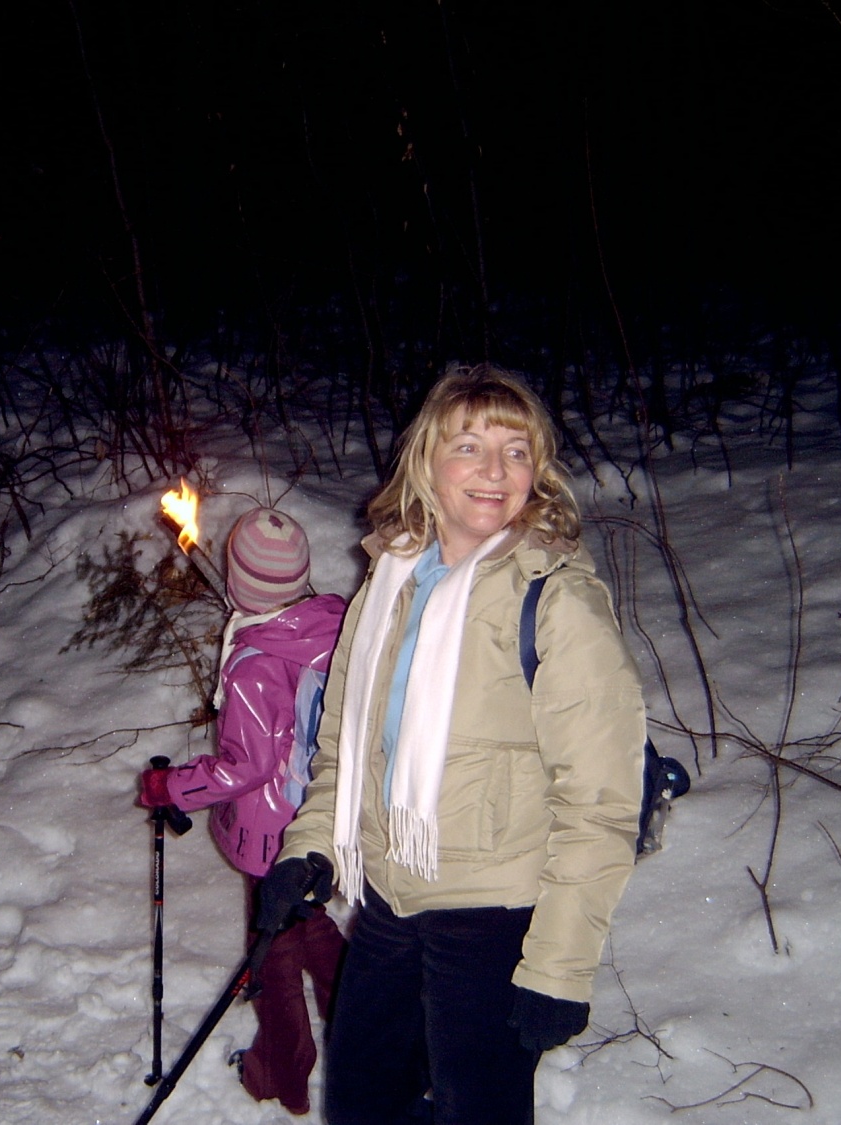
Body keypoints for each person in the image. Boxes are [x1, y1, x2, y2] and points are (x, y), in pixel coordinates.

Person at [260, 367, 645, 1124]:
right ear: (427, 460)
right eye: (470, 446)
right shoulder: (391, 580)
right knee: (362, 1104)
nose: (495, 472)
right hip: (388, 898)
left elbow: (600, 800)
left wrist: (558, 967)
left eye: (516, 450)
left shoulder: (556, 600)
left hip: (492, 913)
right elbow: (344, 743)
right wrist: (312, 849)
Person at [139, 507, 347, 1116]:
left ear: (239, 584)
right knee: (312, 926)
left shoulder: (258, 664)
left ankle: (280, 1073)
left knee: (272, 956)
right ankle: (372, 1033)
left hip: (272, 833)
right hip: (318, 821)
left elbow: (243, 767)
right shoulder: (326, 623)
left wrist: (171, 788)